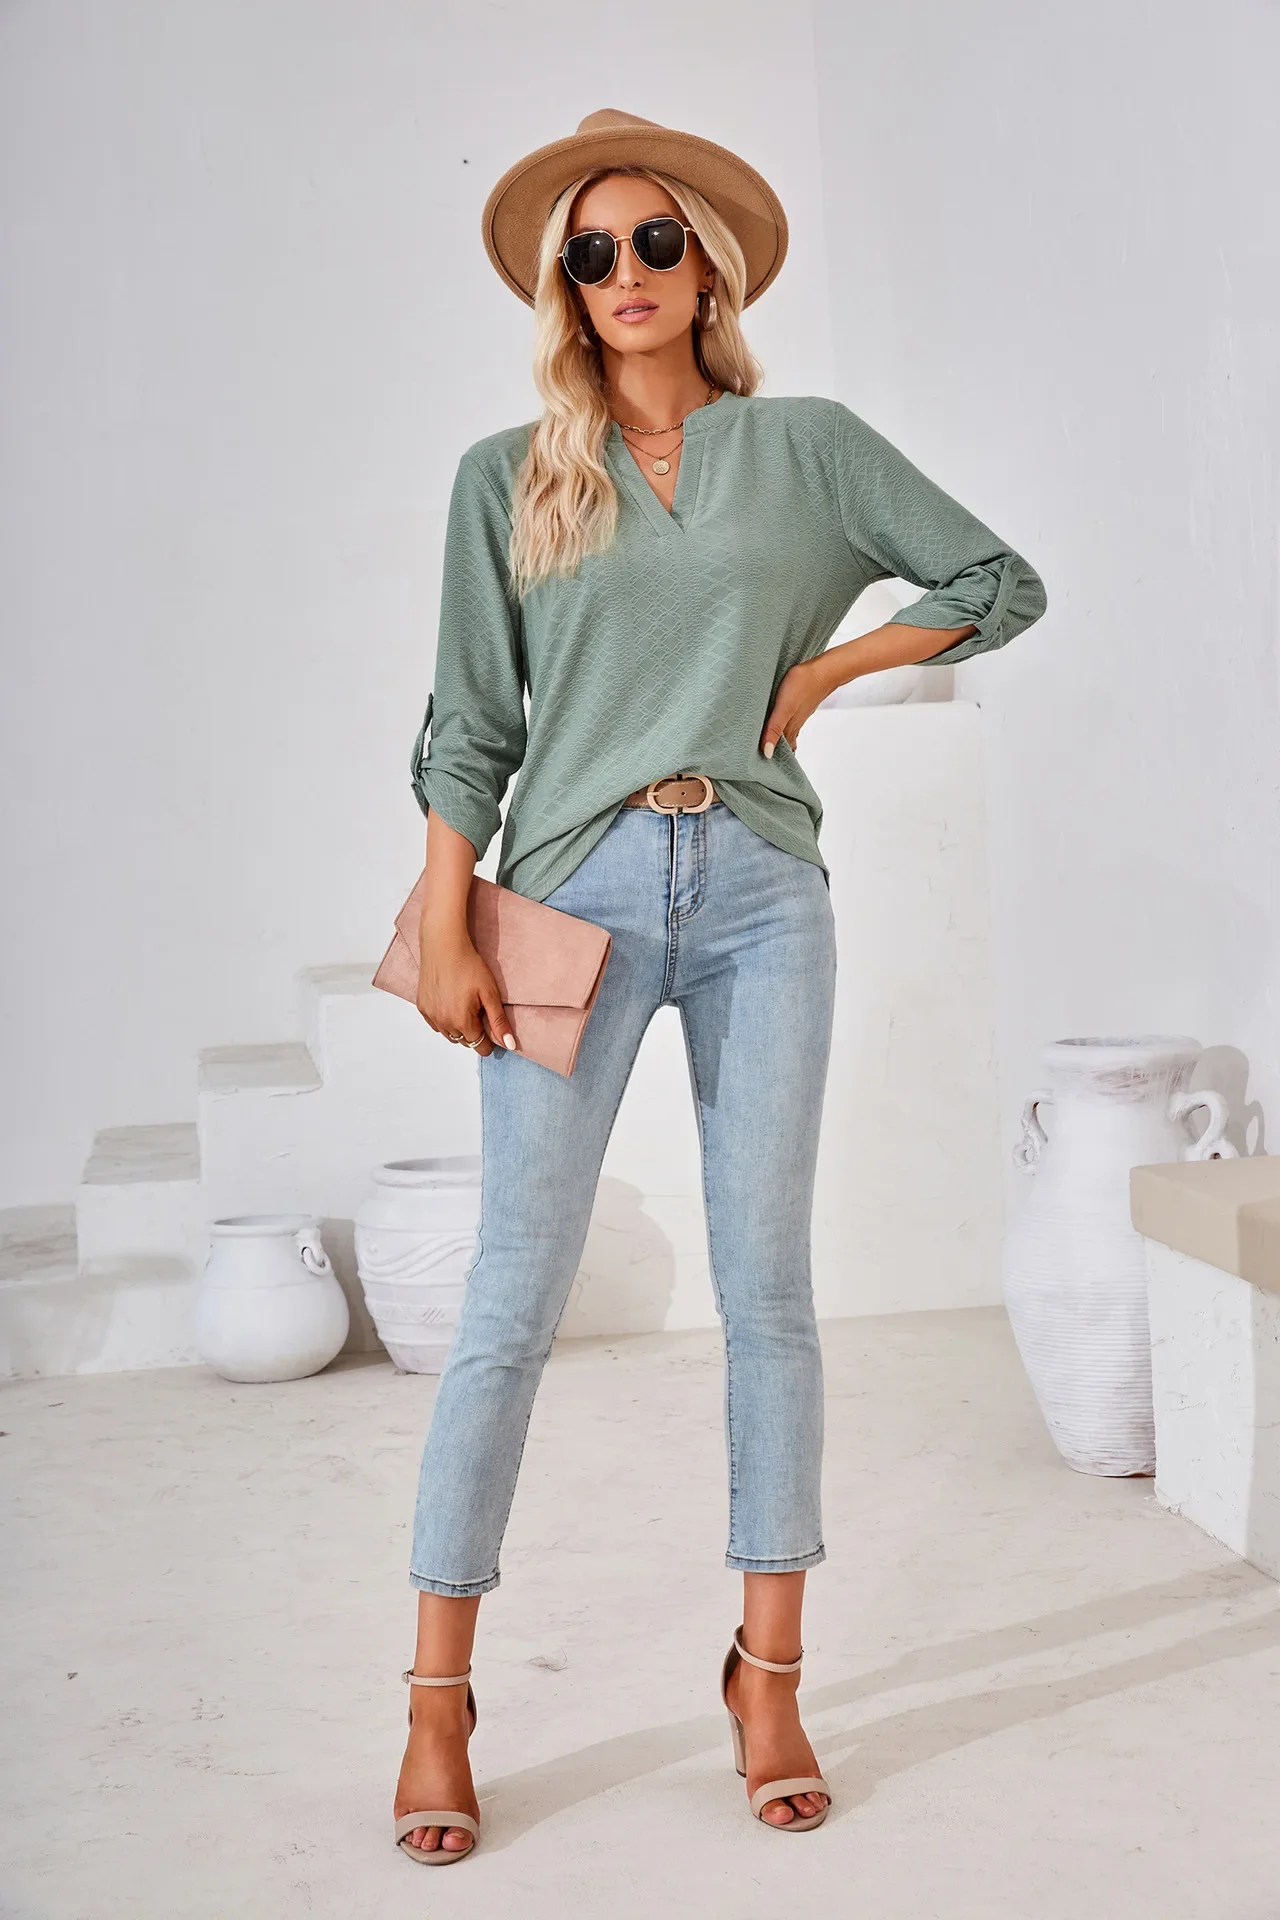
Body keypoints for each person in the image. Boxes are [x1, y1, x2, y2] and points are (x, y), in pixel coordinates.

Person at [392, 109, 1048, 1865]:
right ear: (565, 287)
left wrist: (823, 674)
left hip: (760, 889)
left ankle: (769, 1677)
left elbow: (998, 583)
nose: (623, 274)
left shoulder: (802, 450)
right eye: (589, 254)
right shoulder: (507, 476)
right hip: (569, 897)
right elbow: (470, 724)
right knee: (511, 1297)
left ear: (708, 270)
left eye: (652, 243)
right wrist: (447, 918)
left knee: (770, 1293)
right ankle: (439, 1698)